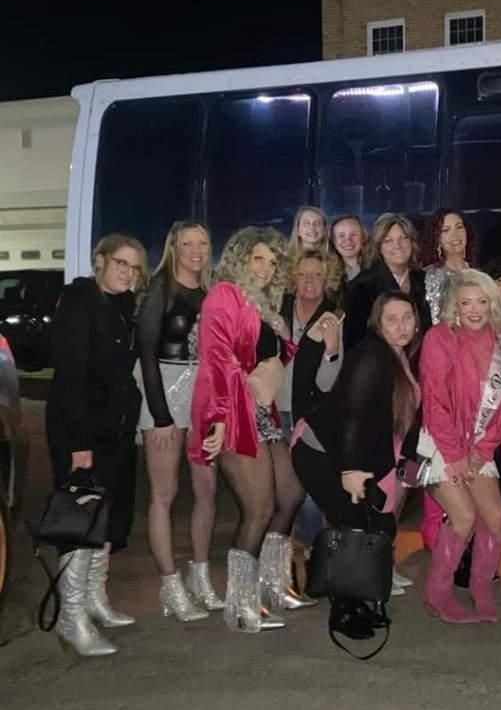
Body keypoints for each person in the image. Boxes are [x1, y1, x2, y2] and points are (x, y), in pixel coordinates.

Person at [189, 227, 312, 634]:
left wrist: (283, 341)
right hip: (234, 413)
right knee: (258, 509)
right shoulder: (223, 294)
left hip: (263, 414)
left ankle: (274, 585)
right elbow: (216, 361)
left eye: (272, 262)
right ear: (240, 258)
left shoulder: (260, 302)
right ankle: (241, 606)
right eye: (258, 258)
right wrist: (219, 419)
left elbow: (268, 357)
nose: (266, 268)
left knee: (291, 494)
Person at [290, 292, 420, 638]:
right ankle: (344, 613)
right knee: (352, 525)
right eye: (392, 319)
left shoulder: (401, 356)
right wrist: (349, 471)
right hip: (322, 450)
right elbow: (352, 418)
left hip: (362, 453)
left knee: (376, 525)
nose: (401, 326)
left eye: (407, 317)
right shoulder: (371, 357)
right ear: (378, 323)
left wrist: (406, 470)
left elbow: (404, 423)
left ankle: (359, 600)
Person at [46, 234, 148, 656]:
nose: (128, 272)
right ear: (99, 261)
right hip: (83, 430)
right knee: (82, 518)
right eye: (121, 263)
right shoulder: (78, 302)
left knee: (109, 515)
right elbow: (72, 376)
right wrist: (78, 443)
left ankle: (94, 599)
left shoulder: (121, 305)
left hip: (116, 429)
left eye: (135, 267)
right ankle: (71, 618)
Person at [417, 270, 501, 624]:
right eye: (466, 303)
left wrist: (481, 450)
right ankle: (437, 592)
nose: (475, 310)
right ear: (455, 306)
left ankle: (480, 585)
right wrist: (456, 455)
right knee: (463, 516)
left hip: (478, 443)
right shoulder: (439, 337)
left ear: (492, 303)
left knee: (497, 518)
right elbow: (434, 402)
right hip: (440, 441)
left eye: (482, 301)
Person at [136, 221, 219, 622]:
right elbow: (146, 355)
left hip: (203, 392)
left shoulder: (211, 292)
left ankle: (200, 578)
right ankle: (171, 587)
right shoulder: (160, 289)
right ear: (173, 248)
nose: (195, 250)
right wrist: (161, 416)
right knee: (164, 494)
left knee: (207, 490)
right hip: (164, 390)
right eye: (187, 243)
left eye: (202, 243)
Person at [275, 252, 343, 548]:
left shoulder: (334, 315)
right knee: (286, 489)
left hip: (312, 415)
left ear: (327, 280)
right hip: (274, 411)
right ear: (294, 278)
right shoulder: (279, 308)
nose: (309, 281)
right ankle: (291, 551)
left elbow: (330, 380)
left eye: (317, 275)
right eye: (303, 274)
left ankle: (315, 551)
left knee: (312, 489)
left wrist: (332, 351)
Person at [419, 209, 477, 551]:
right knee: (438, 450)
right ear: (436, 239)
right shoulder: (431, 277)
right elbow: (433, 329)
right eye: (445, 230)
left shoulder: (478, 274)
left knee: (466, 451)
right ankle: (433, 530)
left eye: (459, 227)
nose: (454, 234)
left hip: (475, 378)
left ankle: (462, 530)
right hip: (442, 375)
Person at [343, 213, 431, 350]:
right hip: (379, 360)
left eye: (404, 238)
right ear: (379, 247)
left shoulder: (425, 279)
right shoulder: (361, 286)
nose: (398, 245)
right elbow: (354, 343)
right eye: (388, 240)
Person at [329, 213, 369, 290]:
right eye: (341, 235)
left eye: (353, 234)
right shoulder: (325, 271)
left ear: (363, 237)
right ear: (334, 241)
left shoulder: (378, 268)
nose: (348, 241)